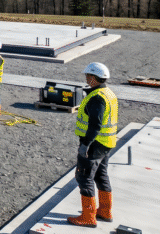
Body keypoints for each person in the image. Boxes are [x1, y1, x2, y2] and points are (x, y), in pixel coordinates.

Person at [67, 62, 119, 227]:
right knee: (100, 175)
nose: (86, 79)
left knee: (84, 177)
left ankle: (88, 217)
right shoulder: (108, 93)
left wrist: (85, 145)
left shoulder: (97, 98)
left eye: (88, 76)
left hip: (94, 144)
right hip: (106, 142)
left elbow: (95, 125)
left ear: (94, 78)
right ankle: (105, 211)